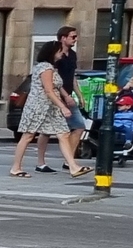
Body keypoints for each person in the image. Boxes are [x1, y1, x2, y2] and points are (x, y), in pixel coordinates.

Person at [12, 39, 85, 178]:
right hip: (39, 107)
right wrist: (63, 106)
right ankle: (16, 167)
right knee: (28, 136)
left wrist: (66, 97)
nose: (61, 54)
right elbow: (49, 91)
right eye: (59, 51)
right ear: (52, 52)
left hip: (50, 108)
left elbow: (57, 87)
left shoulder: (51, 68)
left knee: (63, 134)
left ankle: (73, 167)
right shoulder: (46, 68)